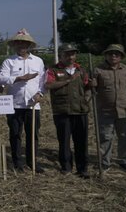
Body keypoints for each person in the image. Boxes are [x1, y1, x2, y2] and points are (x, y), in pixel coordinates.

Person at [0, 28, 45, 173]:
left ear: (29, 45)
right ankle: (17, 163)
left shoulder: (38, 61)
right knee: (15, 134)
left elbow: (43, 82)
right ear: (15, 45)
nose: (22, 46)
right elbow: (1, 80)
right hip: (14, 104)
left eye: (25, 44)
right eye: (19, 43)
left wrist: (40, 94)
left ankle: (32, 163)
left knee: (33, 135)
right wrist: (20, 78)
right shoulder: (9, 61)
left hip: (33, 105)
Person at [44, 44, 91, 178]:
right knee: (64, 141)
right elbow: (49, 85)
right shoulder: (53, 70)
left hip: (80, 111)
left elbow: (87, 87)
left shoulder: (81, 70)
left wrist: (87, 97)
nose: (71, 57)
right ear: (61, 56)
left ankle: (82, 168)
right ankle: (66, 167)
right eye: (67, 54)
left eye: (73, 54)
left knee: (81, 141)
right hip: (62, 111)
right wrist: (68, 80)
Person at [93, 44, 126, 173]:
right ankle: (105, 162)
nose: (113, 56)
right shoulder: (98, 70)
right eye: (110, 53)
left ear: (121, 56)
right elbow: (90, 89)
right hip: (105, 110)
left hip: (124, 109)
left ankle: (124, 160)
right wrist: (91, 85)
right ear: (106, 55)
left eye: (116, 54)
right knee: (105, 137)